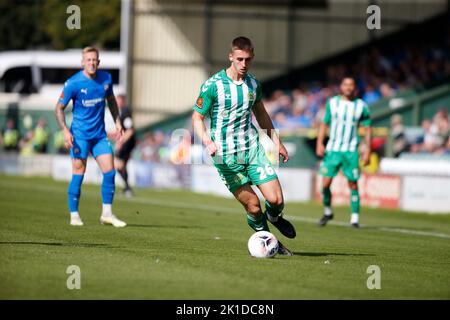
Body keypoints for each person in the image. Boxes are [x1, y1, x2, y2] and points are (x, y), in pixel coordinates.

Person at [192, 36, 296, 256]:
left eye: (247, 59)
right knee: (254, 206)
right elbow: (197, 118)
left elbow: (262, 115)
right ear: (231, 56)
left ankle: (275, 217)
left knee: (276, 200)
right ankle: (272, 244)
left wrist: (277, 143)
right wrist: (207, 141)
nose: (243, 64)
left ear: (252, 58)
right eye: (239, 59)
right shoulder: (213, 86)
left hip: (252, 150)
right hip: (226, 157)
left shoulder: (253, 84)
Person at [54, 47, 126, 227]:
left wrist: (117, 121)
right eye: (89, 60)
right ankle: (74, 214)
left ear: (99, 62)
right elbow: (58, 108)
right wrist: (64, 130)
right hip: (80, 136)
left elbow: (111, 101)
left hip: (99, 135)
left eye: (95, 60)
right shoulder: (73, 83)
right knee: (79, 172)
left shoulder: (106, 79)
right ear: (82, 62)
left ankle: (107, 214)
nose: (92, 63)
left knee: (110, 172)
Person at [316, 76, 372, 228]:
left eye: (351, 85)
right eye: (345, 84)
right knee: (325, 184)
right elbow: (324, 124)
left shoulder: (361, 106)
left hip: (351, 151)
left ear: (355, 88)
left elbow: (367, 129)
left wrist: (367, 151)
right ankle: (328, 212)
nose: (348, 87)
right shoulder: (332, 103)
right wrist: (319, 143)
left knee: (353, 184)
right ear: (341, 86)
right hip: (333, 150)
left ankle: (354, 219)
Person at [113, 94, 136, 197]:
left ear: (122, 101)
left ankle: (127, 188)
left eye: (118, 100)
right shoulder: (122, 111)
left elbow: (130, 130)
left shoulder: (126, 112)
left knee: (119, 165)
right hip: (127, 143)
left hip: (128, 143)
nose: (116, 102)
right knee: (121, 166)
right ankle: (127, 188)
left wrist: (120, 143)